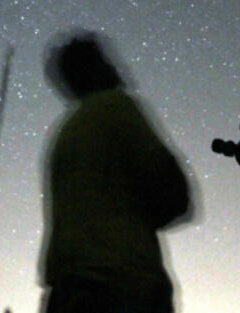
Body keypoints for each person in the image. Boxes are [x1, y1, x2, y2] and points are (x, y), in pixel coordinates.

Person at [41, 30, 193, 313]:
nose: (116, 66)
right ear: (96, 68)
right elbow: (175, 195)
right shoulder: (118, 107)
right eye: (105, 60)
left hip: (67, 291)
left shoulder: (64, 134)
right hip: (124, 285)